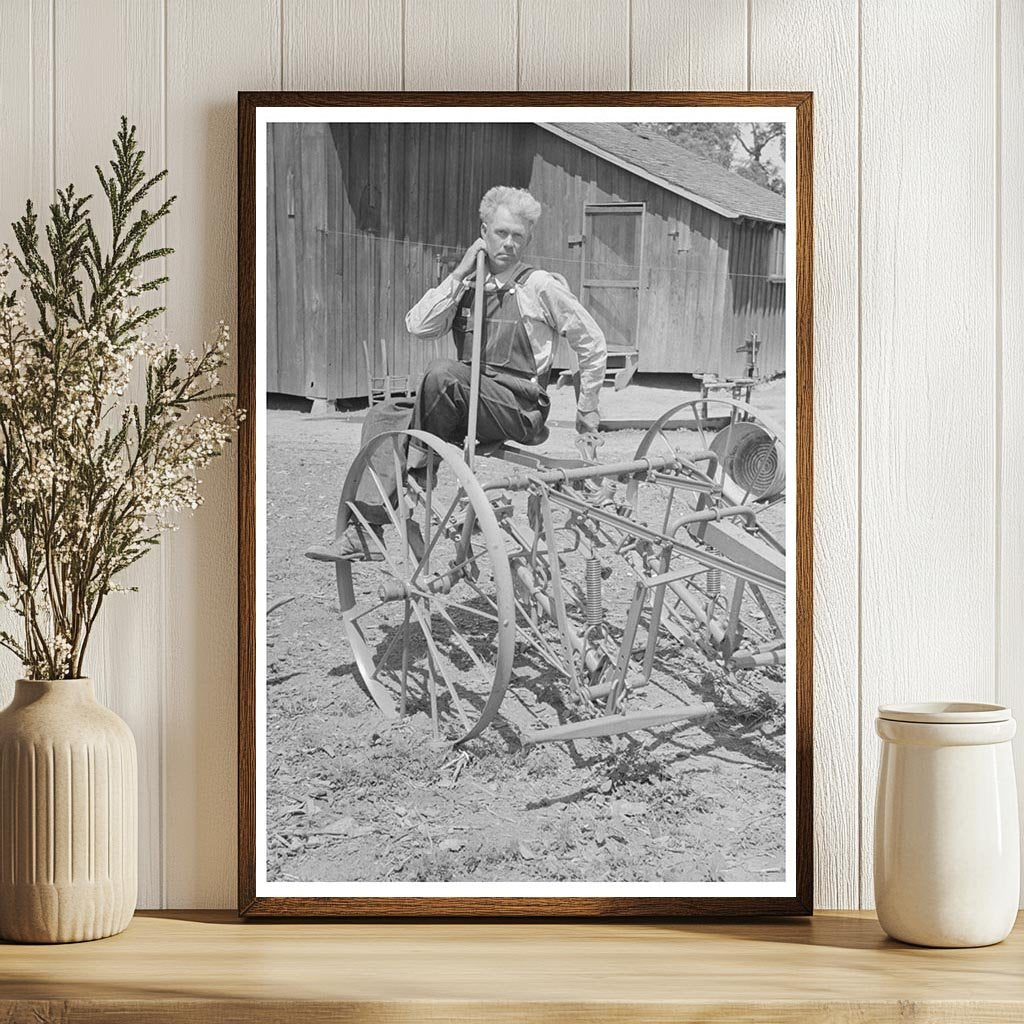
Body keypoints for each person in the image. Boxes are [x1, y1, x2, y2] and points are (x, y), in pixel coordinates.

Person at [308, 185, 607, 562]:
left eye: (518, 236)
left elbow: (592, 341)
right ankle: (367, 530)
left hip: (516, 407)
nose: (509, 243)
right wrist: (460, 273)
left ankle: (417, 474)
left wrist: (587, 406)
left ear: (528, 240)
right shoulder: (466, 285)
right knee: (384, 414)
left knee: (441, 373)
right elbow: (417, 326)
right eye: (501, 233)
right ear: (483, 233)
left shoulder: (540, 286)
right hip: (462, 401)